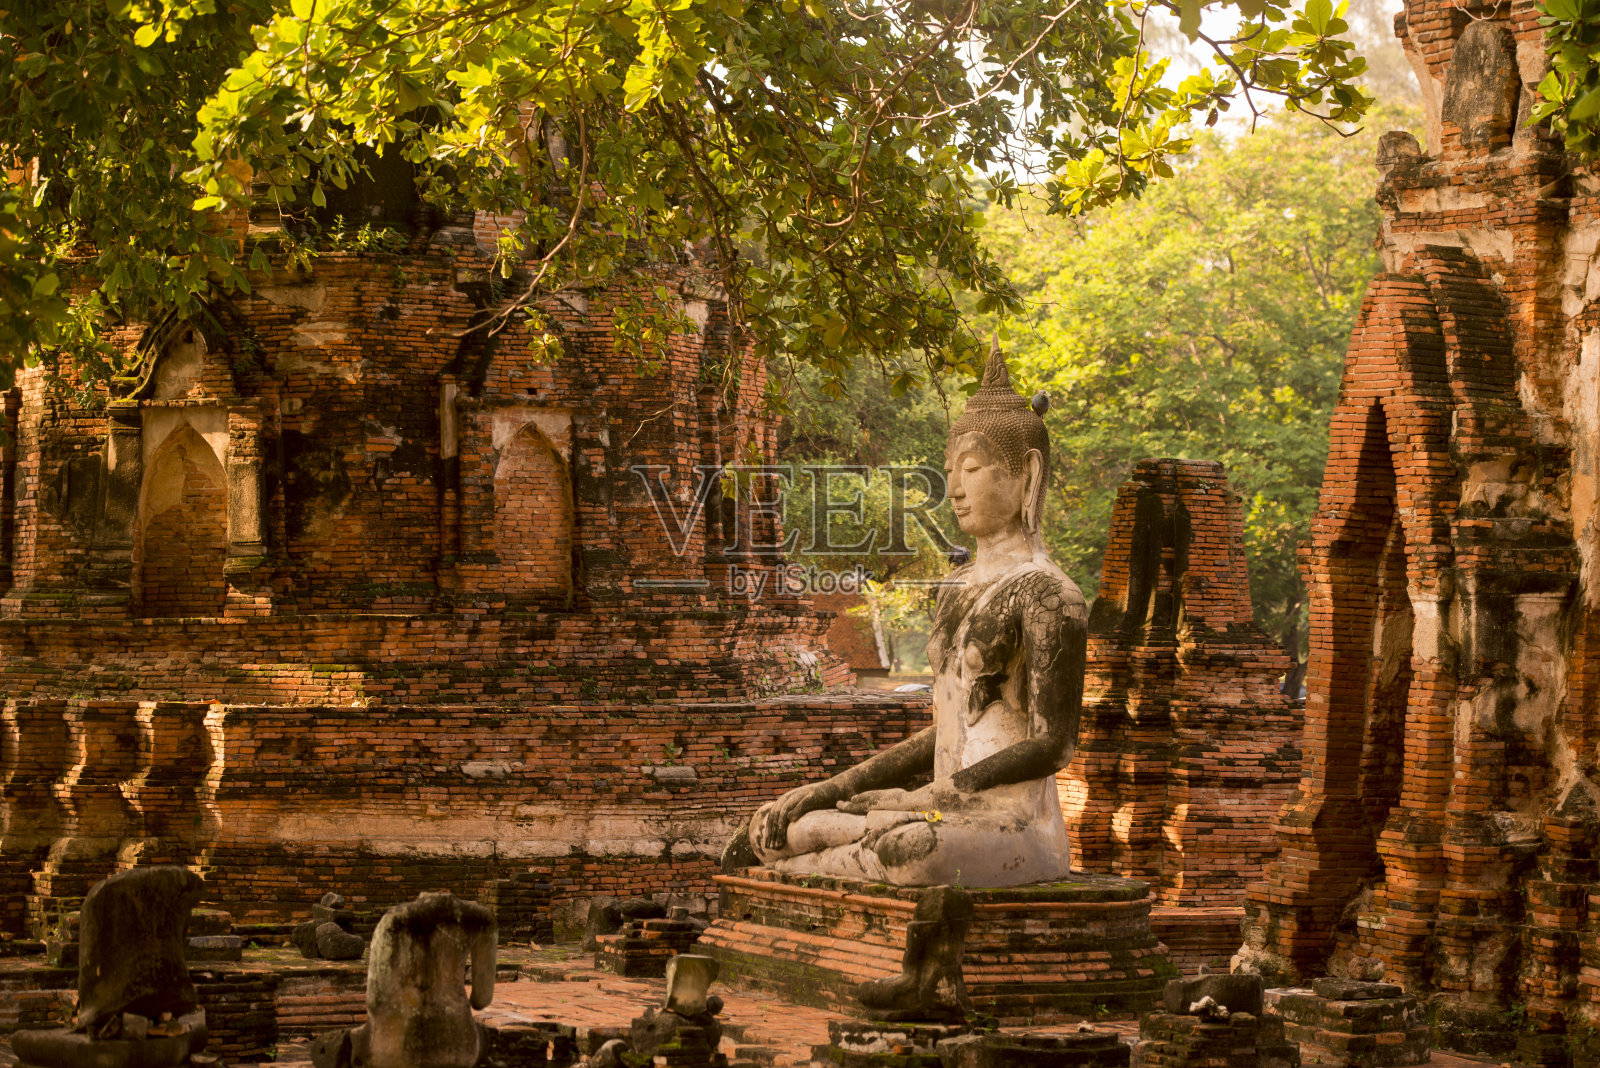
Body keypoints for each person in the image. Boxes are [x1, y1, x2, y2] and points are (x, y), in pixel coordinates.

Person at [735, 345, 1087, 887]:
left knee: (911, 848)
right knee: (771, 828)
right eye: (950, 470)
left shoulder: (1048, 594)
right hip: (935, 806)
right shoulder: (954, 587)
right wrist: (833, 788)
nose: (955, 489)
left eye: (972, 469)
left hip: (1008, 822)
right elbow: (944, 733)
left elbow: (1052, 744)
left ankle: (822, 865)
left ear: (1029, 474)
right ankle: (831, 855)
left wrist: (927, 796)